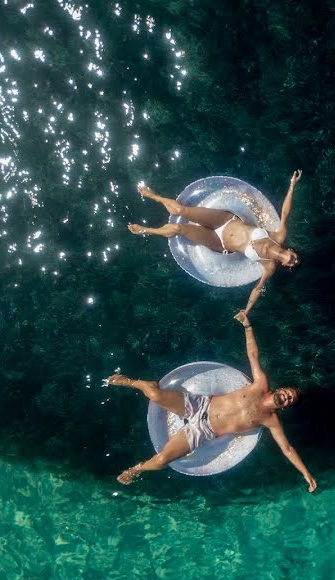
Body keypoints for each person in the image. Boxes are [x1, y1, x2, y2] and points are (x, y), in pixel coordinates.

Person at [106, 311, 317, 492]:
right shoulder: (260, 384)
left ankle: (136, 469)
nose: (286, 397)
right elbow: (253, 355)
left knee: (161, 461)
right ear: (280, 389)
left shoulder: (271, 420)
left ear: (287, 405)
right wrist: (248, 326)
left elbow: (287, 448)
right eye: (288, 392)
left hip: (203, 431)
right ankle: (132, 382)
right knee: (154, 394)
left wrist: (305, 473)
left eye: (290, 400)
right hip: (199, 405)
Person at [128, 170, 302, 314]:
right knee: (182, 210)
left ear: (287, 266)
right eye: (295, 257)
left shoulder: (269, 266)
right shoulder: (278, 236)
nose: (293, 259)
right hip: (224, 220)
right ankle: (154, 196)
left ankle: (147, 230)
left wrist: (247, 310)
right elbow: (285, 212)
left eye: (293, 263)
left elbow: (257, 289)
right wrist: (292, 185)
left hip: (219, 243)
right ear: (292, 251)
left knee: (179, 229)